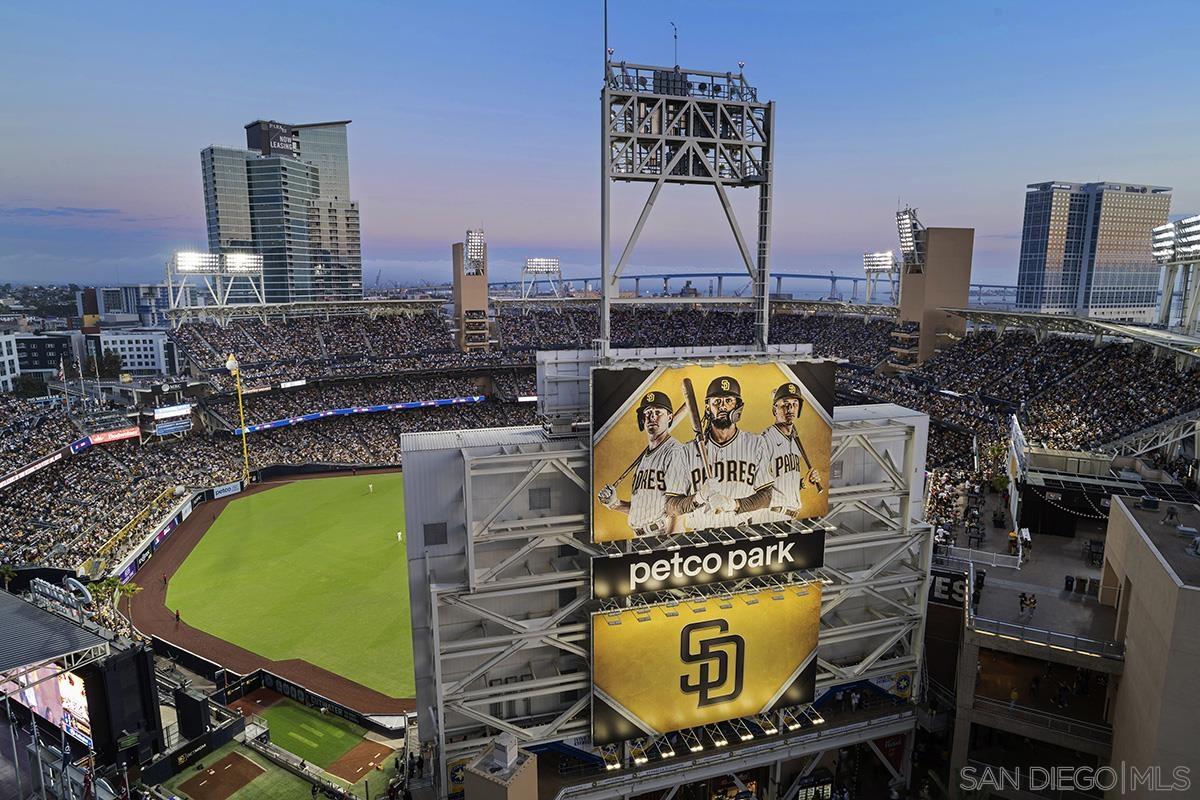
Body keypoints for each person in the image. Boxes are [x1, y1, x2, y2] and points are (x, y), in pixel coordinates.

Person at [665, 376, 774, 532]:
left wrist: (734, 504)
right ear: (708, 408)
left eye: (729, 401)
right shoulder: (686, 451)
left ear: (738, 406)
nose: (723, 406)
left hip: (741, 532)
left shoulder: (756, 444)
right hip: (700, 535)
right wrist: (699, 498)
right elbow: (671, 506)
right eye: (716, 402)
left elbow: (767, 496)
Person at [598, 391, 682, 536]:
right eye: (648, 412)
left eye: (658, 411)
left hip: (662, 534)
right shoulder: (644, 459)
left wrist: (673, 543)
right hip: (640, 536)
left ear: (669, 417)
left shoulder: (675, 452)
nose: (652, 416)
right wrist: (615, 503)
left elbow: (679, 507)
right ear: (642, 420)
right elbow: (642, 509)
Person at [761, 382, 822, 521]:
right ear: (775, 410)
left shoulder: (795, 441)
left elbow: (785, 483)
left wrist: (804, 483)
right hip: (771, 516)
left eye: (795, 404)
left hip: (790, 517)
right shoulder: (765, 440)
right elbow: (757, 487)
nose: (790, 409)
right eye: (785, 404)